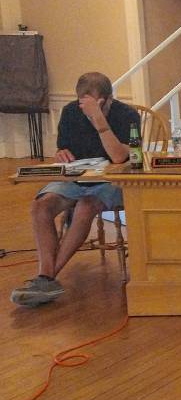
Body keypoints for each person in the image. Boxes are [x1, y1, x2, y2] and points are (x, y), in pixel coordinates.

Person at [11, 72, 140, 307]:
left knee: (86, 206)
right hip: (76, 177)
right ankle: (46, 277)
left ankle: (46, 277)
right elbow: (64, 149)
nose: (87, 109)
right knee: (41, 205)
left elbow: (120, 157)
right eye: (84, 103)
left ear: (109, 99)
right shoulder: (71, 112)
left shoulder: (126, 115)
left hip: (111, 180)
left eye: (96, 104)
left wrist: (99, 120)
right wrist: (61, 154)